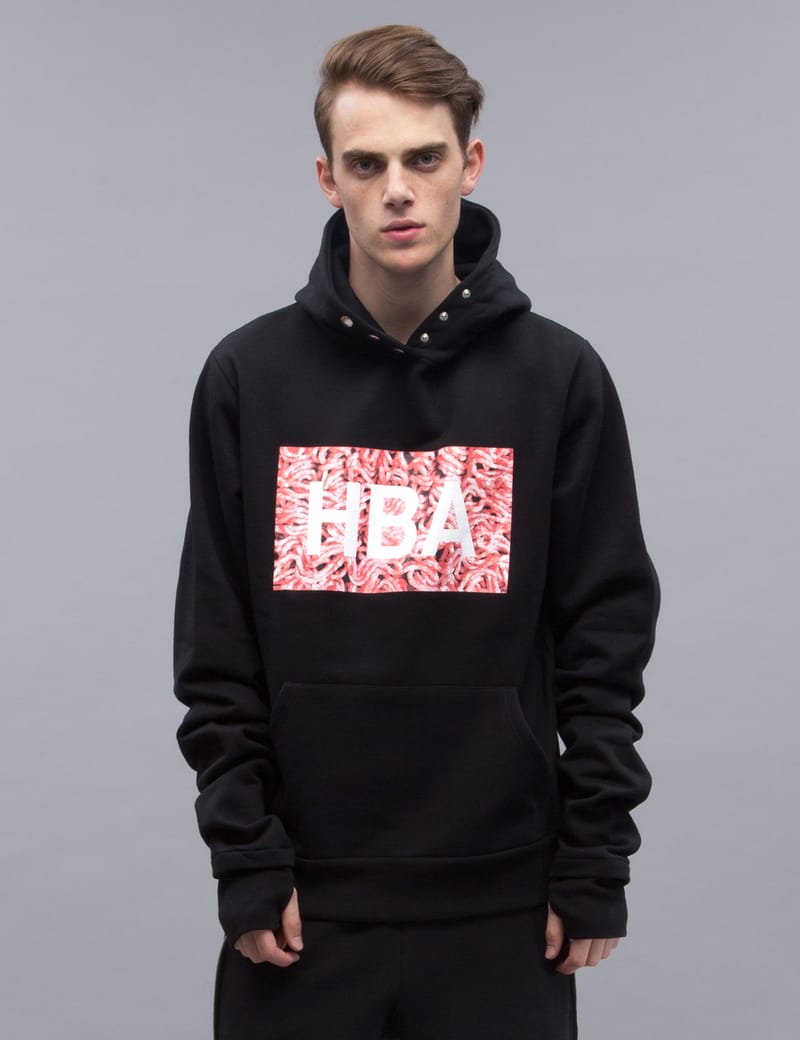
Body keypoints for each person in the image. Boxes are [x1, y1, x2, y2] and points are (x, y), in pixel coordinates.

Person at [173, 23, 659, 1040]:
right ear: (328, 180)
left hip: (503, 907)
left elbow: (604, 637)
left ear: (469, 166)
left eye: (424, 159)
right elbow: (216, 645)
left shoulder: (557, 378)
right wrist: (245, 856)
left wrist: (594, 856)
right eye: (367, 164)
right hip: (302, 910)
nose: (397, 190)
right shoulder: (248, 378)